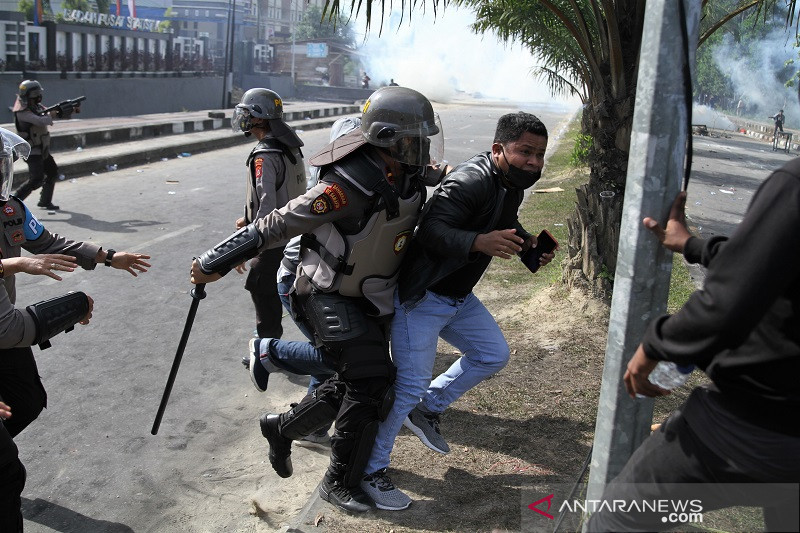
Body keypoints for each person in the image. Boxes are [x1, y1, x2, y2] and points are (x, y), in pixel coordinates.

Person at [190, 86, 443, 513]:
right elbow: (277, 222)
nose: (418, 149)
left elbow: (440, 176)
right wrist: (213, 261)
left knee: (354, 381)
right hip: (324, 293)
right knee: (368, 381)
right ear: (381, 138)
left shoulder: (406, 171)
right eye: (409, 140)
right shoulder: (345, 186)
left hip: (370, 293)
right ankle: (339, 481)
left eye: (421, 139)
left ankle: (282, 428)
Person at [360, 111, 556, 510]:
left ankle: (428, 408)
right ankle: (370, 471)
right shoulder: (471, 180)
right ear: (499, 149)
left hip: (457, 297)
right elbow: (430, 229)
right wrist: (478, 242)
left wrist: (529, 247)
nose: (534, 162)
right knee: (407, 386)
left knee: (492, 354)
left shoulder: (509, 182)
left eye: (539, 154)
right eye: (525, 152)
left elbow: (504, 219)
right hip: (424, 297)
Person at [586, 189, 800, 527]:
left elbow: (730, 296)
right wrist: (693, 246)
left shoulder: (794, 185)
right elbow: (765, 259)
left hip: (752, 429)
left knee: (617, 517)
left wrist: (654, 345)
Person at [0, 128, 151, 531]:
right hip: (4, 327)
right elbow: (13, 320)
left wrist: (108, 256)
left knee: (27, 401)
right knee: (7, 476)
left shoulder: (9, 209)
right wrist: (67, 303)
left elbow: (46, 241)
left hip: (2, 325)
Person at [230, 88, 306, 341]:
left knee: (261, 286)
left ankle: (266, 346)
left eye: (247, 113)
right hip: (295, 231)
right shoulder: (289, 146)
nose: (243, 118)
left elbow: (267, 203)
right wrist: (247, 218)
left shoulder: (264, 154)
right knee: (278, 288)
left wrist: (249, 244)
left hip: (274, 238)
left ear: (260, 119)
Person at [11, 80, 79, 211]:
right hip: (30, 151)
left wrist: (68, 110)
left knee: (52, 172)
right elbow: (41, 120)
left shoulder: (36, 107)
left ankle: (45, 201)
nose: (38, 96)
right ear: (30, 95)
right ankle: (13, 204)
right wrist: (52, 115)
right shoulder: (22, 112)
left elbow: (50, 113)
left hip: (42, 148)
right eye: (36, 94)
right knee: (36, 179)